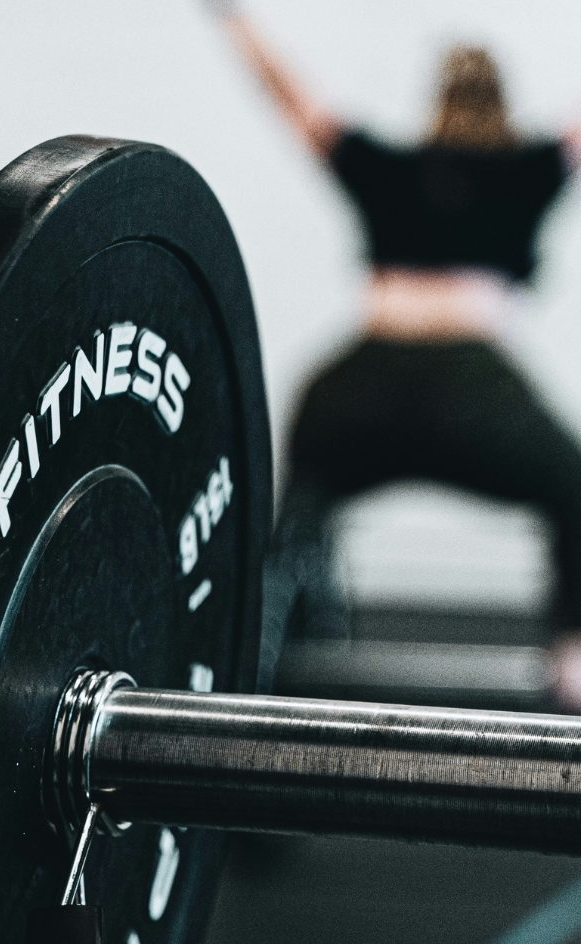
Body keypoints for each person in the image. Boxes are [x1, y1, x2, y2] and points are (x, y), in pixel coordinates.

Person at [211, 5, 581, 705]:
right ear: (501, 102)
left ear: (436, 101)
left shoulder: (389, 168)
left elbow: (290, 93)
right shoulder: (526, 168)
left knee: (297, 511)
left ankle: (259, 656)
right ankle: (573, 665)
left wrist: (231, 17)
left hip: (360, 388)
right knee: (574, 488)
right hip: (474, 387)